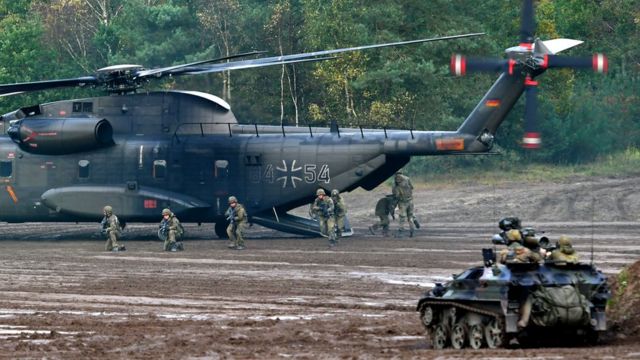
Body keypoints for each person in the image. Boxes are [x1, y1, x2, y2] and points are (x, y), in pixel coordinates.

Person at [392, 170, 420, 237]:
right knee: (410, 215)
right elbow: (412, 187)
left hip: (402, 202)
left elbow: (396, 195)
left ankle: (400, 232)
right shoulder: (407, 178)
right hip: (410, 200)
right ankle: (412, 229)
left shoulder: (395, 183)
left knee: (402, 217)